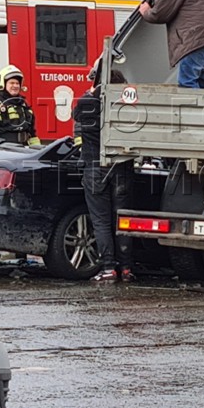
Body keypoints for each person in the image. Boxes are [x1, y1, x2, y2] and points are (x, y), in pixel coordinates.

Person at [74, 70, 133, 283]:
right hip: (121, 167)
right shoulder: (126, 105)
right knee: (122, 219)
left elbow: (77, 116)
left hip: (94, 167)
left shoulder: (85, 102)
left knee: (101, 221)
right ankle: (126, 268)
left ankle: (109, 268)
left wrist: (93, 90)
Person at [0, 66, 37, 145]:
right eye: (12, 83)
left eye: (17, 83)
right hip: (4, 149)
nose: (15, 86)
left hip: (24, 148)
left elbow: (32, 132)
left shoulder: (23, 104)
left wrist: (38, 149)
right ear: (3, 84)